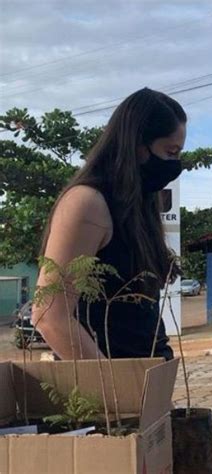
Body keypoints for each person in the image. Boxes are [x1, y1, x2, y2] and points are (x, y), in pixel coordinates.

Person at [32, 88, 186, 361]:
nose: (175, 164)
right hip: (111, 393)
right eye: (170, 152)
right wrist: (116, 391)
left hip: (148, 382)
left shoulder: (138, 206)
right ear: (137, 144)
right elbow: (50, 316)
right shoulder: (88, 203)